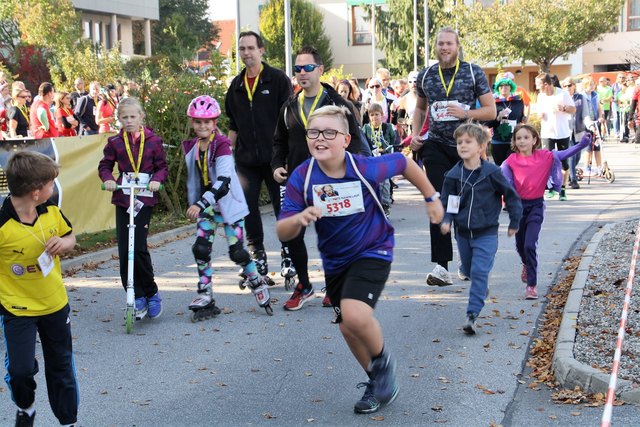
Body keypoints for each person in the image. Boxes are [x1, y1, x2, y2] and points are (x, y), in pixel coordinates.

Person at [276, 105, 444, 414]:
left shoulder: (363, 167)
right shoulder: (303, 176)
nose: (320, 139)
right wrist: (299, 217)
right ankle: (378, 382)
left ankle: (383, 365)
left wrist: (432, 198)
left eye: (330, 133)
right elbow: (283, 231)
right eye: (314, 132)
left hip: (373, 249)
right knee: (347, 328)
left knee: (354, 316)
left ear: (346, 139)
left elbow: (404, 164)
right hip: (335, 261)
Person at [272, 45, 369, 311]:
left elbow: (357, 142)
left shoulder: (338, 104)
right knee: (292, 234)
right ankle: (304, 285)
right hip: (298, 182)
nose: (302, 73)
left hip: (331, 181)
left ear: (320, 70)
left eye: (307, 68)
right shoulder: (289, 106)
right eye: (297, 69)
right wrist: (277, 165)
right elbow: (279, 142)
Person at [410, 26, 496, 286]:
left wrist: (466, 113)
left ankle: (467, 260)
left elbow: (491, 111)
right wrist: (415, 135)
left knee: (466, 206)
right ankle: (441, 266)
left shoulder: (472, 72)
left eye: (449, 43)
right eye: (440, 44)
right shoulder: (426, 76)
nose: (444, 48)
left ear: (457, 46)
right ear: (434, 47)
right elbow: (420, 109)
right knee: (438, 200)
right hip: (435, 146)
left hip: (467, 147)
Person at [0, 151, 78, 426]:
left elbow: (71, 236)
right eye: (50, 184)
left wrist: (64, 244)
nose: (53, 188)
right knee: (20, 371)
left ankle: (67, 421)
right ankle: (26, 408)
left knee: (61, 369)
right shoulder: (2, 224)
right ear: (35, 192)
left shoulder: (52, 210)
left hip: (55, 304)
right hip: (16, 308)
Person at [182, 95, 273, 318]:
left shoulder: (221, 145)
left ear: (214, 123)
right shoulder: (193, 147)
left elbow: (223, 182)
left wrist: (200, 203)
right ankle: (205, 293)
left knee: (238, 253)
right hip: (208, 209)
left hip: (228, 206)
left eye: (207, 122)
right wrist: (199, 203)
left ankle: (257, 281)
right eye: (198, 122)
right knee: (201, 248)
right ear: (192, 123)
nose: (202, 126)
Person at [224, 30, 294, 282]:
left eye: (250, 48)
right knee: (248, 209)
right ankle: (258, 257)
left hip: (276, 159)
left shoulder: (277, 80)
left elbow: (290, 120)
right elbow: (233, 124)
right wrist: (225, 155)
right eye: (242, 49)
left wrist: (288, 155)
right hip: (246, 161)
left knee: (282, 209)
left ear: (261, 50)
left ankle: (288, 254)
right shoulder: (235, 86)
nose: (246, 53)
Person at [440, 123, 522, 334]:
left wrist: (514, 221)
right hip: (463, 234)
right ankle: (481, 283)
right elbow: (448, 201)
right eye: (459, 142)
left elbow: (511, 196)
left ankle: (472, 315)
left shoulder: (492, 172)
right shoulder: (453, 174)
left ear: (481, 146)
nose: (463, 145)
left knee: (478, 271)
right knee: (468, 271)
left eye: (468, 142)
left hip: (486, 232)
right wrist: (447, 219)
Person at [501, 124, 591, 300]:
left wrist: (581, 145)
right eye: (518, 138)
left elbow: (564, 154)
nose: (522, 141)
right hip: (518, 209)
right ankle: (526, 264)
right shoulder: (510, 161)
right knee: (520, 246)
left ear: (535, 140)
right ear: (514, 141)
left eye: (526, 137)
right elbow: (501, 180)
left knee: (529, 244)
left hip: (536, 206)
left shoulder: (545, 156)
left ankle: (531, 286)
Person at [98, 97, 168, 320]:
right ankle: (135, 296)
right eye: (124, 117)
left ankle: (151, 293)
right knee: (124, 250)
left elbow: (162, 167)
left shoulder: (154, 141)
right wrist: (108, 179)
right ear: (119, 119)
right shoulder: (115, 142)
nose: (128, 121)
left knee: (137, 247)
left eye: (132, 116)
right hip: (123, 198)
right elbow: (105, 165)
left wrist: (157, 179)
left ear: (141, 117)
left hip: (143, 199)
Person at [534, 72, 575, 201]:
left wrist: (563, 108)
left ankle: (562, 189)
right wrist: (539, 114)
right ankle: (551, 187)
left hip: (562, 132)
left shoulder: (562, 93)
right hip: (547, 133)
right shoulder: (540, 96)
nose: (536, 88)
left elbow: (573, 109)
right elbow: (538, 111)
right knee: (547, 161)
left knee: (564, 162)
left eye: (538, 85)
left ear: (546, 84)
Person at [362, 102, 397, 217]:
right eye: (371, 115)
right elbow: (363, 142)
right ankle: (373, 206)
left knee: (384, 183)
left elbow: (392, 141)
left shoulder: (387, 127)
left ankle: (385, 205)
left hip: (384, 159)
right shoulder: (366, 128)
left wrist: (385, 149)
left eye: (377, 114)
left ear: (382, 115)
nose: (374, 117)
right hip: (371, 160)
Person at [561, 77, 592, 189]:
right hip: (566, 131)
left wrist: (590, 124)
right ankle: (573, 180)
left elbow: (585, 114)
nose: (568, 87)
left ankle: (569, 174)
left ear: (574, 86)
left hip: (578, 131)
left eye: (570, 85)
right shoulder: (561, 98)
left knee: (577, 156)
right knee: (572, 156)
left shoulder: (580, 98)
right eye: (565, 85)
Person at [486, 76, 525, 166]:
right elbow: (487, 124)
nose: (504, 88)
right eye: (501, 86)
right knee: (501, 169)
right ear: (498, 89)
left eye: (506, 85)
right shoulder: (493, 103)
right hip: (498, 142)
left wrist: (523, 118)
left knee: (513, 167)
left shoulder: (518, 101)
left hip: (514, 142)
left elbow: (520, 118)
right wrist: (498, 118)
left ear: (511, 87)